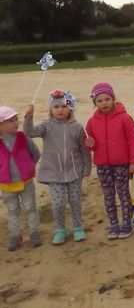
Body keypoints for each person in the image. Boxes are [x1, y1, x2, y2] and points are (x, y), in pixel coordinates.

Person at [23, 91, 90, 244]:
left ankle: (78, 227)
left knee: (75, 200)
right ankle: (60, 229)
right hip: (54, 172)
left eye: (64, 106)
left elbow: (84, 149)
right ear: (51, 110)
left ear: (70, 109)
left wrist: (86, 167)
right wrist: (28, 117)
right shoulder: (46, 126)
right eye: (56, 107)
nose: (60, 110)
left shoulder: (77, 127)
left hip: (74, 171)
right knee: (58, 203)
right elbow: (29, 132)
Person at [84, 82, 134, 240]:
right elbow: (91, 145)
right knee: (108, 195)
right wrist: (89, 144)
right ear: (95, 103)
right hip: (103, 165)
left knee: (123, 194)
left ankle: (126, 223)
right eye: (100, 100)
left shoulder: (125, 118)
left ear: (113, 98)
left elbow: (133, 141)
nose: (104, 103)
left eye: (107, 99)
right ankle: (114, 223)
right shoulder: (92, 121)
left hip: (122, 164)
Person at [0, 106, 41, 250]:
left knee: (30, 207)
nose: (15, 123)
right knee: (12, 210)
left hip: (26, 181)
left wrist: (28, 167)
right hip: (6, 185)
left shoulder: (23, 137)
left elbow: (36, 153)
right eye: (10, 121)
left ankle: (34, 232)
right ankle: (15, 235)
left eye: (16, 119)